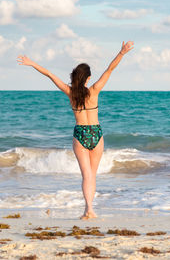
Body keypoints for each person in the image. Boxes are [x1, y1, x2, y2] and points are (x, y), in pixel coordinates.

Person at [17, 41, 134, 220]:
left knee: (86, 175)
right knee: (92, 175)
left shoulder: (70, 92)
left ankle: (88, 209)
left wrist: (31, 63)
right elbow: (110, 70)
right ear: (87, 78)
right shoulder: (94, 90)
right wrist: (122, 53)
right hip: (95, 133)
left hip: (80, 134)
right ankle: (90, 210)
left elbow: (49, 74)